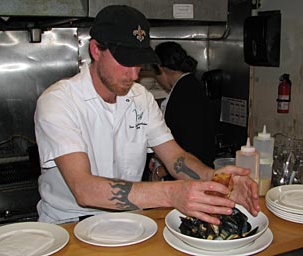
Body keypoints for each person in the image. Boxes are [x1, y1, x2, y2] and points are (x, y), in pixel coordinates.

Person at [34, 4, 260, 225]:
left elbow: (175, 159)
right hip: (69, 225)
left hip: (127, 222)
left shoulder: (141, 98)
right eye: (125, 61)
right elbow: (84, 190)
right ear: (96, 50)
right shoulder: (58, 102)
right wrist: (171, 193)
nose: (134, 74)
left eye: (139, 63)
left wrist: (216, 181)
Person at [148, 42, 216, 181]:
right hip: (193, 169)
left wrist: (163, 170)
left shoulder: (185, 94)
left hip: (191, 174)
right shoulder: (189, 85)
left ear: (161, 69)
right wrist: (158, 157)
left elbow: (192, 146)